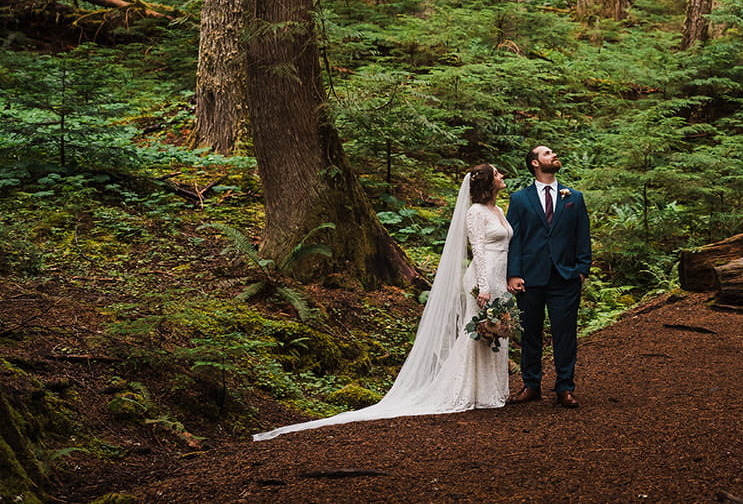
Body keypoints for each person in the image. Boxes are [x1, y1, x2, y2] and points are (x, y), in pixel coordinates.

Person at [252, 163, 513, 440]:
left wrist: (503, 282)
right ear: (486, 182)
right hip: (482, 281)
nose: (502, 176)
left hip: (499, 278)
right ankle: (469, 391)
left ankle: (490, 390)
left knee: (495, 332)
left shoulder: (497, 210)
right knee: (477, 334)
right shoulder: (474, 212)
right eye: (497, 173)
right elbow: (479, 251)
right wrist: (483, 287)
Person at [506, 144, 592, 409]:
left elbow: (582, 236)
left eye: (553, 153)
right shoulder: (520, 199)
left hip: (565, 277)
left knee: (565, 334)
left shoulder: (574, 197)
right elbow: (514, 239)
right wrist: (513, 273)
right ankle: (531, 385)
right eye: (546, 153)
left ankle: (564, 387)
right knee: (530, 333)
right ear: (534, 163)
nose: (553, 155)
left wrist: (581, 270)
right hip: (530, 278)